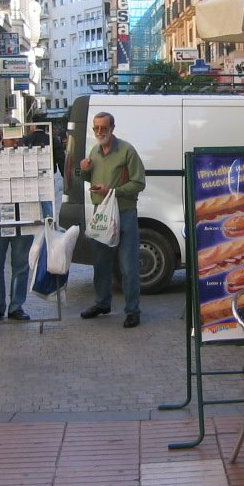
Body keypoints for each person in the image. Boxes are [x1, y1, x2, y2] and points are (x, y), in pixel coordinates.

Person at [79, 111, 146, 328]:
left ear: (112, 128)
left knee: (128, 265)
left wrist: (113, 191)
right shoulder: (94, 151)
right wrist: (84, 171)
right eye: (96, 128)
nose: (100, 132)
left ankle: (132, 311)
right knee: (101, 263)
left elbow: (139, 183)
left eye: (104, 128)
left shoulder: (127, 150)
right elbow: (88, 178)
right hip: (101, 213)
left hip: (124, 212)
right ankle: (102, 303)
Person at [0, 130, 33, 322]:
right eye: (13, 138)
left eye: (19, 137)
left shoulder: (30, 155)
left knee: (21, 265)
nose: (17, 141)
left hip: (23, 216)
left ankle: (16, 306)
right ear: (3, 138)